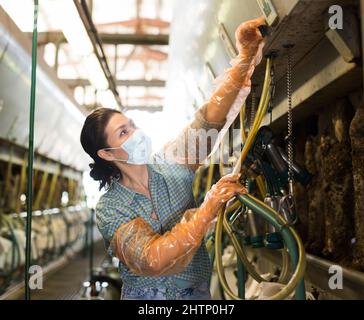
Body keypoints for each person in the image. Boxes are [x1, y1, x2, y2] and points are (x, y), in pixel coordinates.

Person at [80, 17, 266, 300]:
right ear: (107, 153)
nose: (136, 133)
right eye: (123, 133)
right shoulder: (110, 207)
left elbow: (209, 121)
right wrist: (208, 209)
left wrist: (244, 57)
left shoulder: (170, 163)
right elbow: (153, 259)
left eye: (132, 125)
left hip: (198, 295)